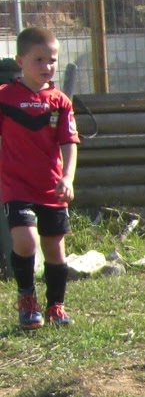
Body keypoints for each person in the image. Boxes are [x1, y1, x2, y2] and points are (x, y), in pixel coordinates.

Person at [1, 27, 79, 331]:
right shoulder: (5, 97)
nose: (47, 66)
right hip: (16, 185)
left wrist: (67, 178)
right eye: (39, 60)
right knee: (25, 240)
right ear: (20, 61)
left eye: (52, 60)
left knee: (55, 249)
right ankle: (27, 299)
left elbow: (69, 143)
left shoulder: (60, 102)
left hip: (51, 187)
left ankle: (55, 306)